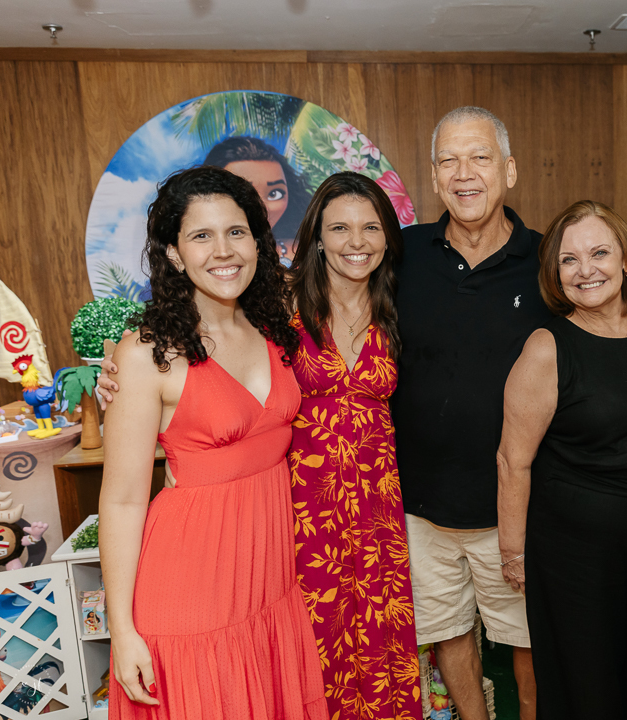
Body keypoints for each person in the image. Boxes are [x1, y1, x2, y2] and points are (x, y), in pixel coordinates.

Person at [98, 166, 328, 719]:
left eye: (236, 232)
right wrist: (122, 630)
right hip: (189, 592)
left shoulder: (272, 323)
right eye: (201, 235)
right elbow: (123, 500)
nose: (223, 251)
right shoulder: (147, 352)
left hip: (269, 582)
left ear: (257, 241)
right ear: (174, 254)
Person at [498, 200, 627, 720]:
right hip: (572, 558)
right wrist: (514, 554)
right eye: (569, 260)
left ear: (626, 259)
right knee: (587, 689)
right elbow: (513, 460)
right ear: (555, 274)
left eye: (599, 253)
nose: (586, 270)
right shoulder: (547, 347)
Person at [392, 107, 545, 720]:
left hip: (518, 505)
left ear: (508, 170)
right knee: (447, 629)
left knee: (528, 640)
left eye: (479, 158)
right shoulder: (401, 254)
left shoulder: (547, 260)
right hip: (422, 504)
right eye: (449, 161)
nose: (464, 174)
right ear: (433, 176)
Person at [285, 172, 421, 719]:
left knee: (380, 638)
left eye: (370, 227)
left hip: (377, 509)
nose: (356, 241)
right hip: (303, 509)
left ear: (388, 236)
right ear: (318, 238)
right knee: (316, 641)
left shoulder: (401, 305)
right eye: (340, 228)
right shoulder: (281, 307)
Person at [205, 136, 310, 264]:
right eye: (243, 193)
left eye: (275, 194)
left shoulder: (303, 253)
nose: (262, 207)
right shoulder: (202, 256)